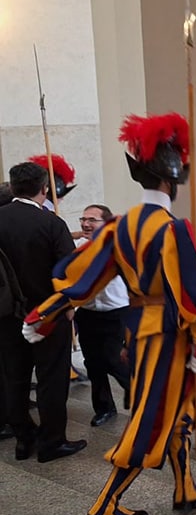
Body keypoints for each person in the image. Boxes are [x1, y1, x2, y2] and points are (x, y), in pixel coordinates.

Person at [25, 113, 196, 515]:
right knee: (152, 419)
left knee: (177, 413)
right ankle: (104, 508)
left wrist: (44, 314)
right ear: (173, 181)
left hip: (139, 330)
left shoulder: (120, 226)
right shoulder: (173, 228)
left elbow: (83, 278)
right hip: (169, 334)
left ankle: (184, 487)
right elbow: (193, 294)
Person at [0, 162, 85, 465]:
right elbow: (68, 273)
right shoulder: (51, 224)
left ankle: (24, 439)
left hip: (7, 315)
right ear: (44, 189)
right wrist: (70, 307)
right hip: (47, 314)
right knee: (51, 377)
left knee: (15, 377)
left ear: (12, 187)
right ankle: (52, 442)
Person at [74, 204, 130, 427]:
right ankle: (104, 408)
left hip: (115, 314)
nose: (85, 224)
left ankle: (144, 398)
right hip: (87, 314)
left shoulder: (118, 248)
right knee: (93, 363)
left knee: (115, 361)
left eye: (92, 220)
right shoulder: (79, 247)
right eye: (83, 219)